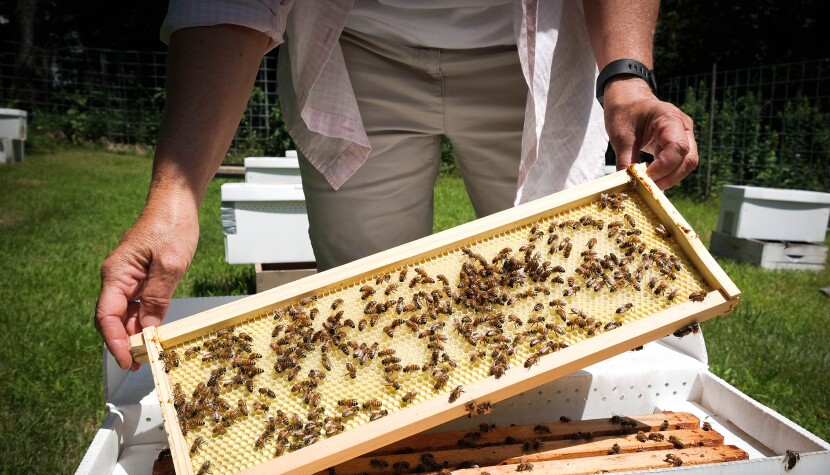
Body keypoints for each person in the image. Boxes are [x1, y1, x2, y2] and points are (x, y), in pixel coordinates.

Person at [95, 0, 698, 371]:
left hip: (535, 48)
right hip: (355, 48)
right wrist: (175, 194)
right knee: (364, 313)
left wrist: (627, 78)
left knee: (558, 299)